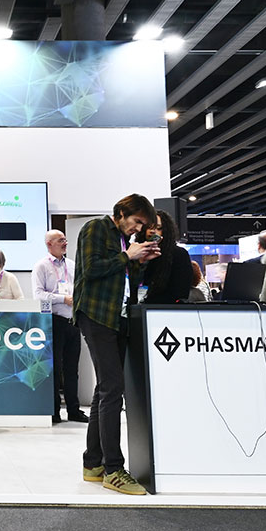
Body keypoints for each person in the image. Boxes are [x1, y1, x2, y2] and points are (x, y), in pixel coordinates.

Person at [74, 194, 160, 496]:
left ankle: (93, 463)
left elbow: (125, 280)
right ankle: (113, 469)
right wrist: (128, 256)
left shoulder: (125, 240)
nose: (138, 228)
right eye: (136, 221)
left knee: (105, 389)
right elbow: (91, 269)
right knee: (112, 389)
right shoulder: (96, 228)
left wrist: (140, 261)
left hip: (117, 316)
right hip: (96, 315)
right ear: (122, 213)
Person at [32, 230, 85, 424]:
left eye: (65, 239)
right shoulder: (41, 266)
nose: (65, 243)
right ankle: (53, 411)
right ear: (49, 244)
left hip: (73, 321)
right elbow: (38, 295)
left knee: (72, 369)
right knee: (54, 369)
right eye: (60, 240)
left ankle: (74, 410)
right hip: (54, 321)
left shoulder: (72, 265)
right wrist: (63, 299)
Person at [140, 210, 195, 305]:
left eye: (158, 228)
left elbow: (182, 290)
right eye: (149, 227)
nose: (152, 231)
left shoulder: (178, 254)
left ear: (166, 231)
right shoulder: (138, 252)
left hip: (167, 308)